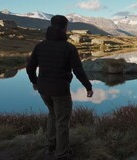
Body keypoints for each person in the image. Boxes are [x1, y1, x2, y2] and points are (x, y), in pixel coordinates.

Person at [27, 15, 93, 160]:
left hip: (44, 90)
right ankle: (62, 153)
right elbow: (78, 71)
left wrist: (35, 82)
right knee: (62, 121)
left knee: (52, 114)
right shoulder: (68, 48)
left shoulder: (40, 46)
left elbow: (30, 67)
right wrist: (88, 87)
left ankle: (50, 147)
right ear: (65, 28)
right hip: (60, 91)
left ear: (51, 26)